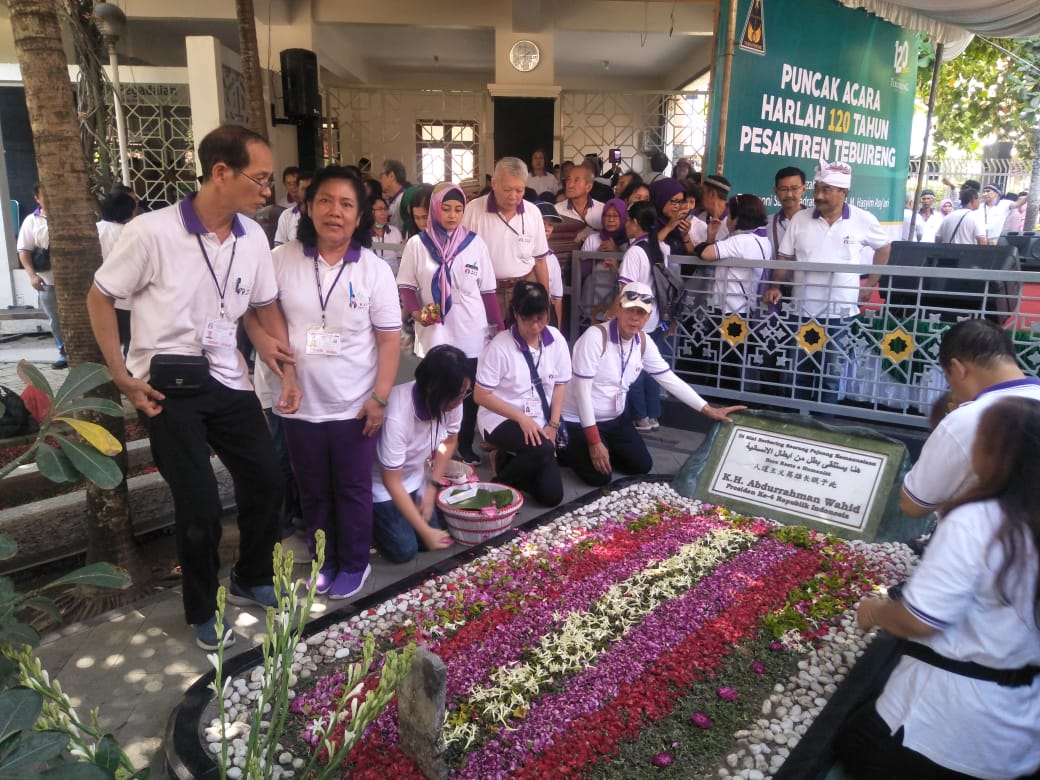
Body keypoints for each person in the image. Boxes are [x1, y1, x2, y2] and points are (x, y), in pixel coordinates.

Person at [86, 124, 297, 650]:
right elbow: (100, 297)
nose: (267, 190)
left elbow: (260, 304)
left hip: (228, 376)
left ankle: (251, 577)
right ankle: (203, 607)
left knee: (268, 479)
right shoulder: (151, 232)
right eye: (261, 178)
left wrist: (279, 356)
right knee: (199, 503)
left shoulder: (252, 237)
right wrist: (121, 375)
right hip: (168, 387)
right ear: (221, 172)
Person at [837, 396, 1040, 780]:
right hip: (1020, 731)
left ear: (996, 454)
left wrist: (876, 610)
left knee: (850, 741)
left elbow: (919, 619)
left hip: (943, 728)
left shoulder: (978, 520)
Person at [265, 165, 401, 600]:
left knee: (352, 489)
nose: (335, 212)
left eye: (346, 204)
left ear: (360, 215)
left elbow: (389, 339)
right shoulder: (281, 259)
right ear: (307, 207)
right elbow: (258, 316)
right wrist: (278, 367)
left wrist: (379, 397)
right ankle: (325, 562)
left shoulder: (374, 270)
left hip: (353, 405)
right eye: (325, 201)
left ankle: (355, 564)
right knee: (313, 491)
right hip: (299, 404)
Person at [562, 282, 745, 486]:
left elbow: (669, 379)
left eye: (641, 313)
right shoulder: (595, 337)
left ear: (648, 317)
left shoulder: (643, 342)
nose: (635, 318)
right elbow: (582, 393)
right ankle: (566, 447)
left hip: (616, 418)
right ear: (618, 309)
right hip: (578, 420)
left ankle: (598, 449)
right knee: (599, 478)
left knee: (641, 465)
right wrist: (594, 441)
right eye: (630, 310)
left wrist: (708, 409)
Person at [763, 158, 891, 405]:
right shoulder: (800, 219)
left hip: (839, 312)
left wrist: (872, 282)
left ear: (844, 192)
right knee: (796, 373)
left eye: (826, 190)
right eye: (817, 188)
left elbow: (883, 248)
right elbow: (785, 257)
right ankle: (794, 426)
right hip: (802, 310)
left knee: (830, 375)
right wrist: (776, 286)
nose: (818, 195)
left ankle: (824, 428)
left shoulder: (863, 219)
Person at [398, 182, 502, 465]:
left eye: (458, 209)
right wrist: (417, 312)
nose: (452, 215)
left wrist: (499, 329)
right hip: (434, 329)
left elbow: (489, 292)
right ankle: (430, 447)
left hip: (470, 328)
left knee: (465, 392)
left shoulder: (475, 243)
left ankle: (464, 443)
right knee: (432, 387)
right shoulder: (418, 245)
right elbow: (406, 286)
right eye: (446, 208)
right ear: (435, 208)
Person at [901, 318, 1040, 519]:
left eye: (949, 381)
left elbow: (913, 505)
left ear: (958, 369)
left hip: (984, 545)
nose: (953, 392)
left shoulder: (965, 420)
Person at [474, 282, 571, 507]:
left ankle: (507, 459)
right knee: (544, 449)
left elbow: (560, 385)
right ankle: (501, 482)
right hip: (500, 416)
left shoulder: (556, 339)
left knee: (551, 496)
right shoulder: (500, 346)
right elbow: (481, 395)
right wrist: (521, 418)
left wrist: (553, 425)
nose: (536, 327)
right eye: (528, 320)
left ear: (548, 313)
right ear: (516, 314)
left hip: (540, 418)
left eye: (541, 318)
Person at [372, 345, 471, 563]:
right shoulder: (397, 416)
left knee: (426, 544)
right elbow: (392, 482)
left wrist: (430, 486)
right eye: (457, 395)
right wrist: (425, 532)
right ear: (433, 391)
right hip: (384, 488)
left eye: (465, 393)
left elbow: (448, 442)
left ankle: (407, 522)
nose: (460, 401)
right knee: (404, 550)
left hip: (416, 479)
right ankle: (371, 522)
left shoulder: (453, 400)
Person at [694, 193, 772, 391]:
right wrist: (712, 235)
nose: (727, 219)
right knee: (734, 360)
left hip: (728, 311)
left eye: (730, 215)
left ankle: (723, 403)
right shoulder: (762, 240)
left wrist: (705, 242)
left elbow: (705, 253)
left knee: (725, 363)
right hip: (744, 310)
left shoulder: (740, 241)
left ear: (737, 219)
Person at [463, 157, 551, 322]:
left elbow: (540, 261)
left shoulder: (532, 213)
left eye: (519, 190)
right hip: (485, 291)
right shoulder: (473, 211)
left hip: (524, 289)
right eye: (507, 189)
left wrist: (545, 300)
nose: (513, 196)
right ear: (494, 183)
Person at [618, 201, 673, 432]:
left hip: (636, 319)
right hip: (656, 317)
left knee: (634, 368)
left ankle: (640, 416)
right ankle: (654, 415)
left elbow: (625, 291)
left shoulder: (634, 252)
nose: (625, 224)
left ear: (636, 223)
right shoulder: (660, 248)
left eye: (628, 220)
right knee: (653, 368)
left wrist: (612, 315)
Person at [17, 184, 66, 369]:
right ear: (37, 198)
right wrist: (32, 276)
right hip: (48, 280)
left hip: (76, 280)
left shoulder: (72, 217)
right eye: (45, 196)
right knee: (55, 319)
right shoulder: (31, 221)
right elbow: (24, 251)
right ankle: (63, 353)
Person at [96, 190, 138, 356]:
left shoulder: (93, 230)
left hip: (100, 297)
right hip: (126, 299)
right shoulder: (130, 233)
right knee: (132, 342)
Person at [535, 202, 566, 328]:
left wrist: (557, 332)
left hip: (543, 317)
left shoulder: (552, 259)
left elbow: (556, 299)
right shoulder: (521, 253)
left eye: (550, 225)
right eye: (543, 223)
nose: (547, 228)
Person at [555, 165, 605, 231]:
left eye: (576, 180)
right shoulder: (557, 211)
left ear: (588, 187)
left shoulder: (602, 210)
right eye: (568, 179)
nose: (570, 185)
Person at [274, 170, 313, 246]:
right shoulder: (286, 215)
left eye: (311, 189)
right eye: (304, 189)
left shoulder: (324, 215)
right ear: (298, 190)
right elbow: (279, 245)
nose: (308, 192)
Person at [370, 195, 405, 274]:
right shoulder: (363, 234)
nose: (384, 213)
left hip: (393, 277)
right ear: (369, 211)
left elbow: (400, 259)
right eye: (379, 209)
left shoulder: (395, 231)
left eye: (385, 209)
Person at [380, 159, 410, 231]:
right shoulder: (388, 200)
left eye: (381, 175)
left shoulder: (403, 200)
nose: (380, 180)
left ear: (391, 176)